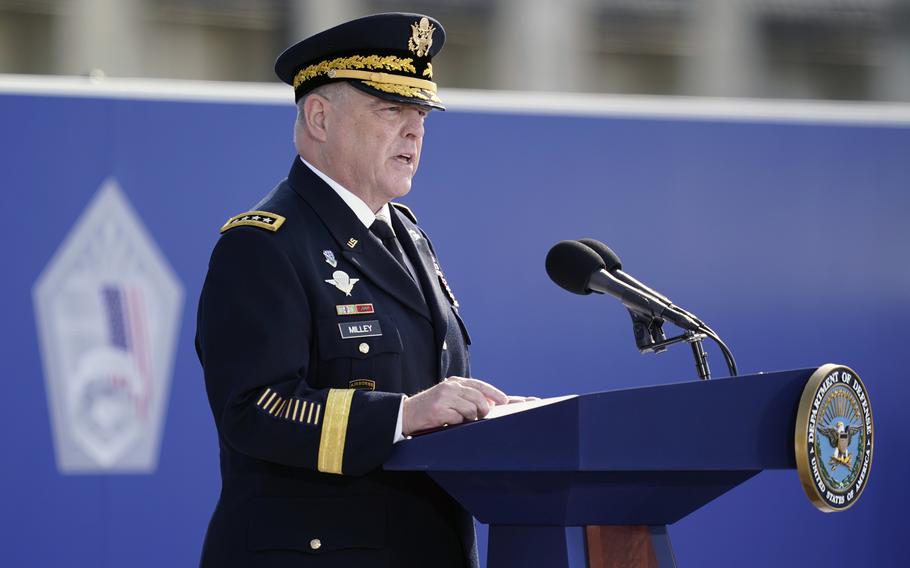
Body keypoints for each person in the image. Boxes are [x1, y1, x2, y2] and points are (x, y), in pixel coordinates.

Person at [195, 12, 526, 568]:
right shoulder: (264, 244)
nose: (415, 130)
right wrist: (400, 415)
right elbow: (253, 408)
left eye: (420, 114)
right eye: (390, 108)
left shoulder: (406, 234)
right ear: (319, 117)